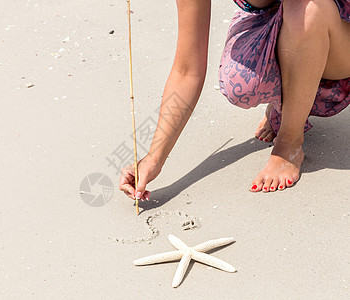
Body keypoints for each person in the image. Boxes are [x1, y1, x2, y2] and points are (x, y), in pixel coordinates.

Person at [119, 0, 350, 200]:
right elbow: (187, 70)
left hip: (338, 28)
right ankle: (286, 103)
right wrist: (154, 158)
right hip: (273, 24)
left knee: (304, 8)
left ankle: (289, 141)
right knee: (241, 82)